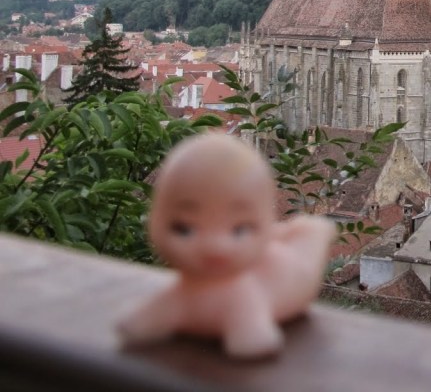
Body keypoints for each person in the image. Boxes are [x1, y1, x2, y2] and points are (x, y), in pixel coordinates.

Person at [117, 132, 336, 358]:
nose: (215, 247)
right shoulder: (182, 293)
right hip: (272, 255)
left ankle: (311, 232)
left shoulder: (242, 295)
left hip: (290, 267)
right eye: (184, 228)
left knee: (305, 239)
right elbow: (158, 312)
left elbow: (254, 339)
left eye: (240, 230)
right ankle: (296, 232)